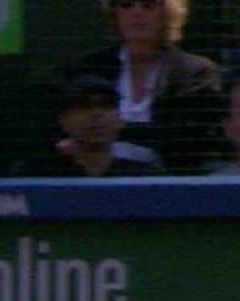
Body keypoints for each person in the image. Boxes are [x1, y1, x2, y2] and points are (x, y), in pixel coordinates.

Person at [62, 0, 224, 175]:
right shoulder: (91, 67)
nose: (137, 13)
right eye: (126, 5)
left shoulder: (195, 72)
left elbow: (185, 140)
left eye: (148, 5)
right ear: (115, 14)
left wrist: (106, 135)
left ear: (167, 13)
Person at [13, 76, 168, 177]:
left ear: (120, 120)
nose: (97, 114)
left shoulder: (143, 173)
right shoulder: (35, 174)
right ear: (64, 122)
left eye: (106, 105)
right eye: (84, 106)